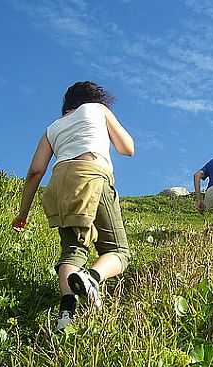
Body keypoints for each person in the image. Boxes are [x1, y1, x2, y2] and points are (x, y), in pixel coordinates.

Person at [11, 81, 134, 331]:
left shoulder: (52, 128)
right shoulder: (98, 109)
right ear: (93, 98)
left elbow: (35, 171)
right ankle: (92, 278)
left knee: (72, 250)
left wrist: (23, 213)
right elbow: (127, 148)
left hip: (58, 184)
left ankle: (66, 314)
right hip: (91, 175)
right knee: (119, 251)